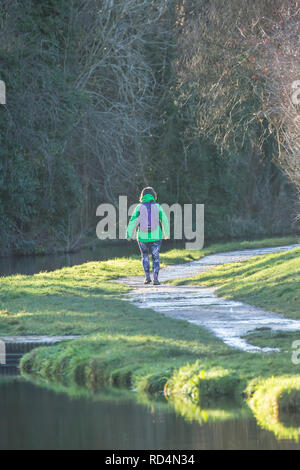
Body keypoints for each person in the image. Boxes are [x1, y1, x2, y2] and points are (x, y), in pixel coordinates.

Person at [126, 187, 170, 285]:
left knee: (145, 256)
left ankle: (147, 278)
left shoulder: (138, 207)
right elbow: (164, 220)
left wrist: (129, 234)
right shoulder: (158, 206)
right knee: (155, 257)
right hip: (156, 237)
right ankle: (155, 279)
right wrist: (166, 233)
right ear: (154, 196)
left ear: (142, 196)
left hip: (142, 237)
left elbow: (132, 221)